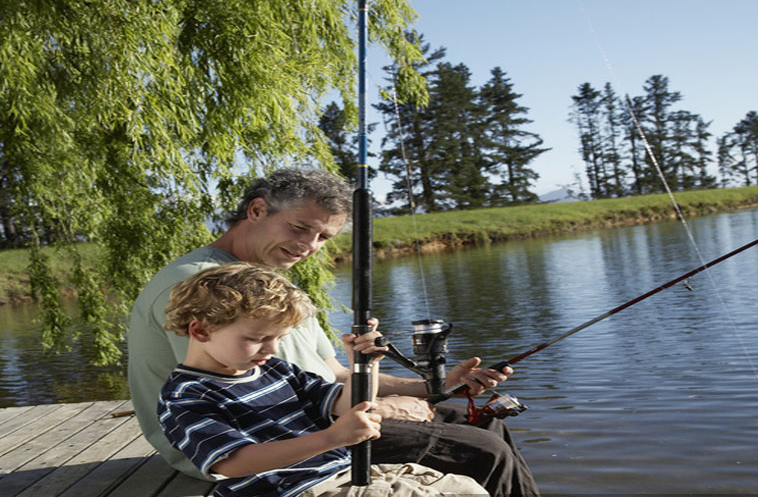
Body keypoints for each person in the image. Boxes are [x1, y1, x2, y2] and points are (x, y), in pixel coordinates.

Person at [128, 167, 540, 497]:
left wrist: (435, 386)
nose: (310, 245)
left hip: (313, 417)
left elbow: (336, 377)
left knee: (486, 425)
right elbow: (247, 394)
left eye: (323, 236)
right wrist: (385, 407)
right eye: (299, 227)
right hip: (271, 439)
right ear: (256, 211)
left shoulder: (273, 290)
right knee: (483, 451)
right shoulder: (210, 288)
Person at [157, 262, 488, 496]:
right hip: (295, 491)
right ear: (200, 330)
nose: (272, 349)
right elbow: (233, 463)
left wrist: (363, 365)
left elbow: (348, 405)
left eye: (279, 338)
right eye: (258, 338)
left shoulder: (276, 370)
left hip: (340, 475)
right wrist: (331, 439)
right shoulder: (186, 395)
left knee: (468, 490)